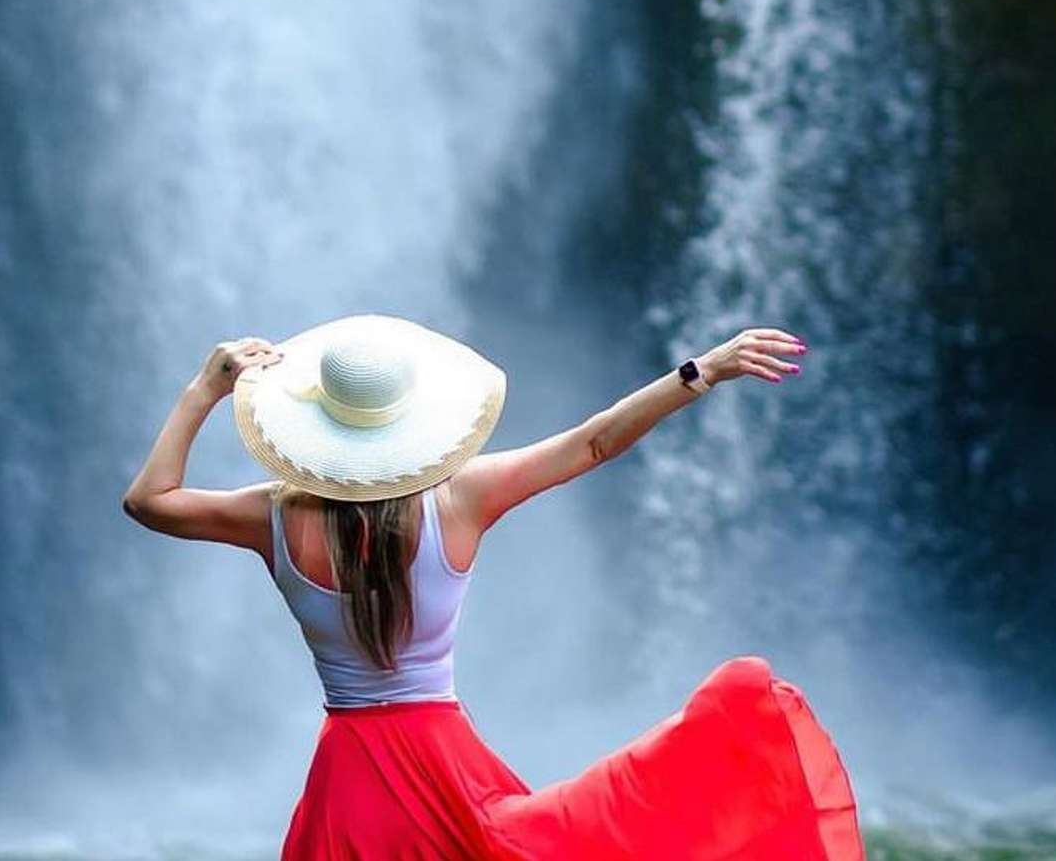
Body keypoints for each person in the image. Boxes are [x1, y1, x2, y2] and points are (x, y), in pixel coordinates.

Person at [122, 313, 863, 860]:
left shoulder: (271, 517)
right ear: (408, 426)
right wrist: (700, 370)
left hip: (346, 777)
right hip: (445, 761)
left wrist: (204, 389)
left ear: (315, 427)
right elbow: (595, 441)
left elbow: (148, 501)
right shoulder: (459, 500)